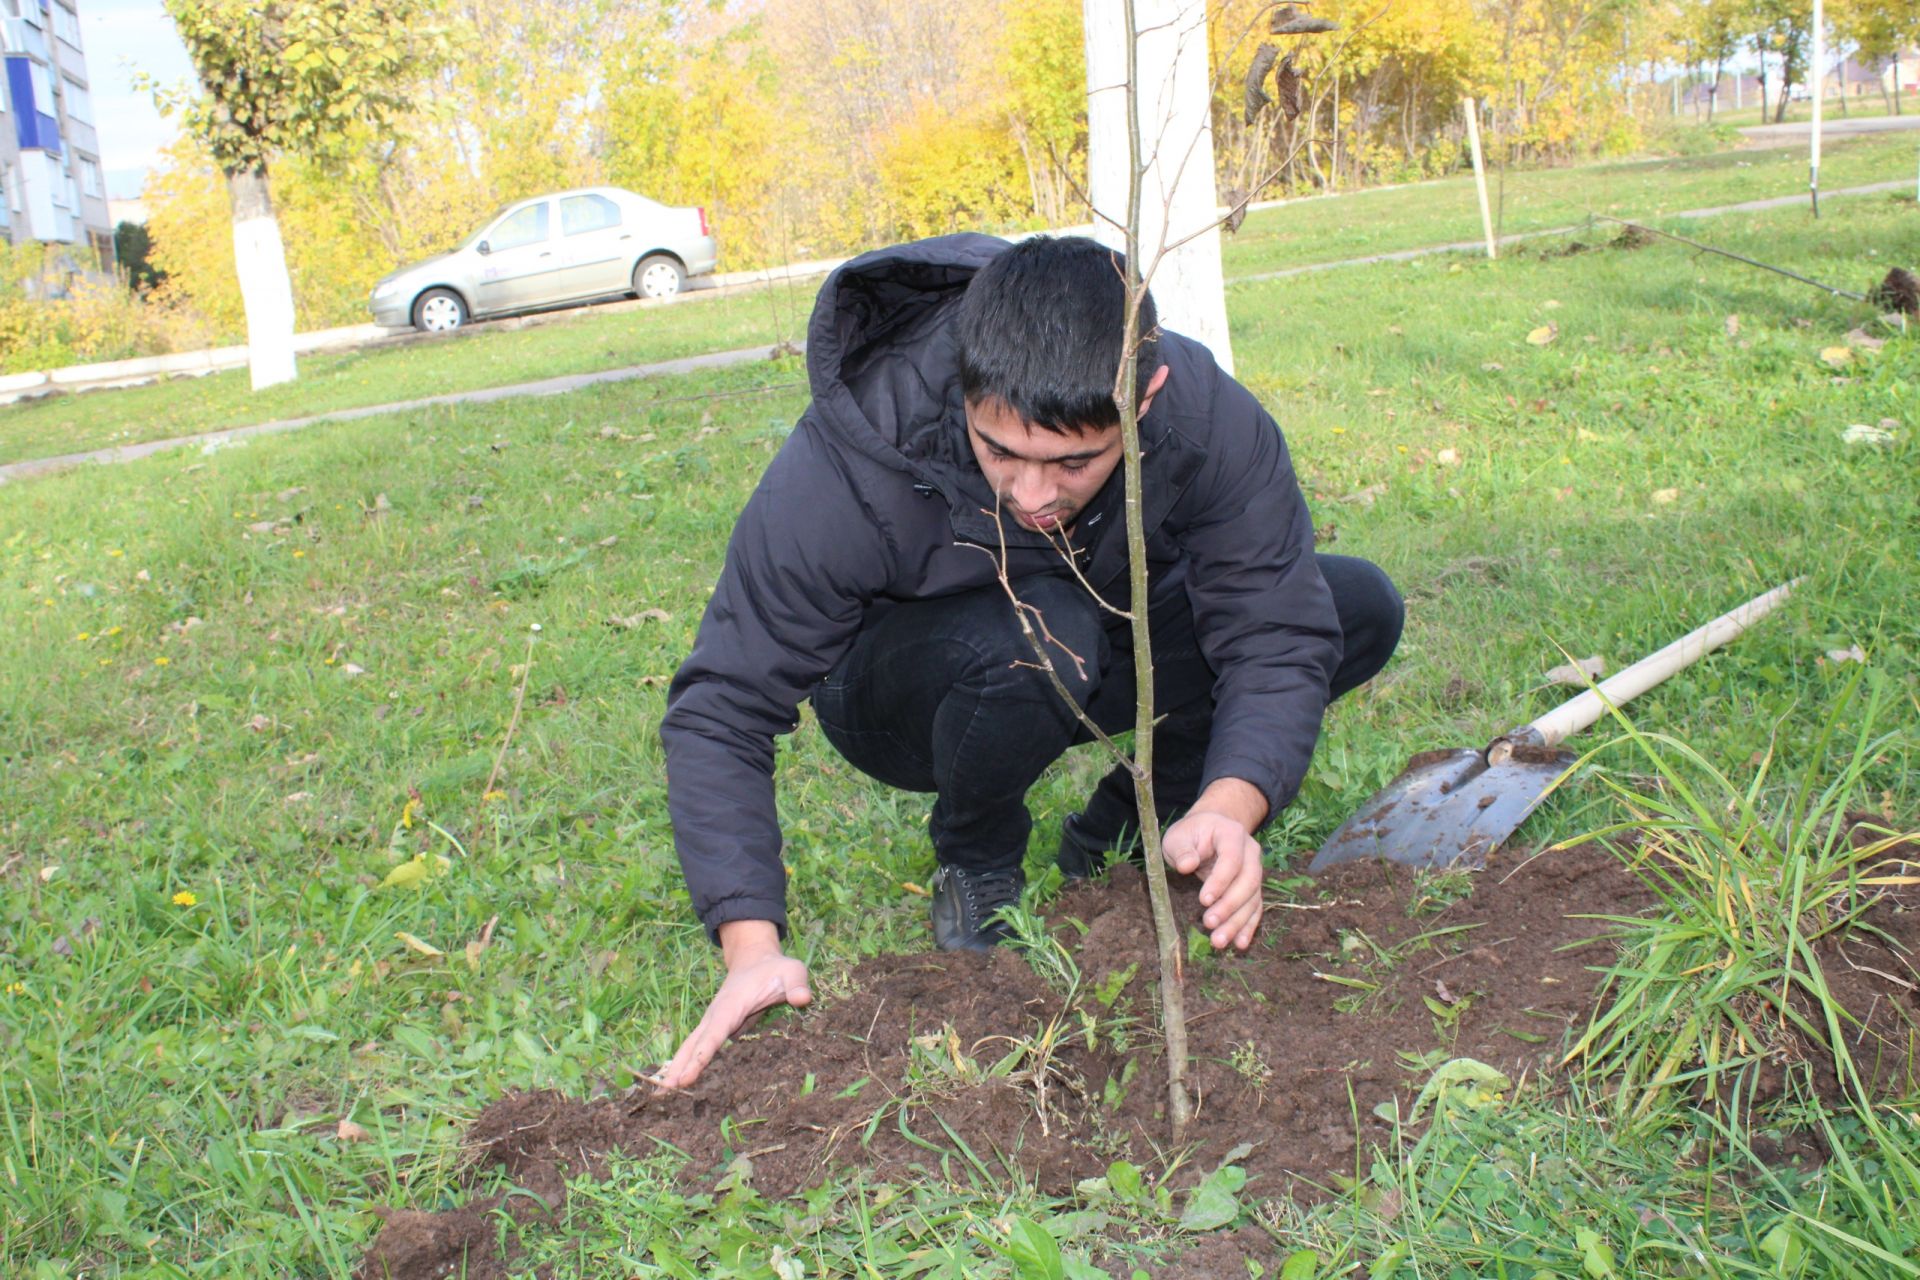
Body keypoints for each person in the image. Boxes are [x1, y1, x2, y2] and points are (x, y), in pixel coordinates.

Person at [654, 233, 1402, 1088]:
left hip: (1092, 630)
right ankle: (976, 862)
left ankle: (1137, 829)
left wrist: (1232, 807)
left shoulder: (1200, 416)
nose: (1034, 494)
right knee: (1047, 632)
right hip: (903, 688)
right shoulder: (852, 455)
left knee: (1349, 605)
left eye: (1074, 462)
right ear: (964, 390)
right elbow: (723, 702)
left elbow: (1276, 632)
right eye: (999, 450)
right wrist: (751, 948)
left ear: (1144, 398)